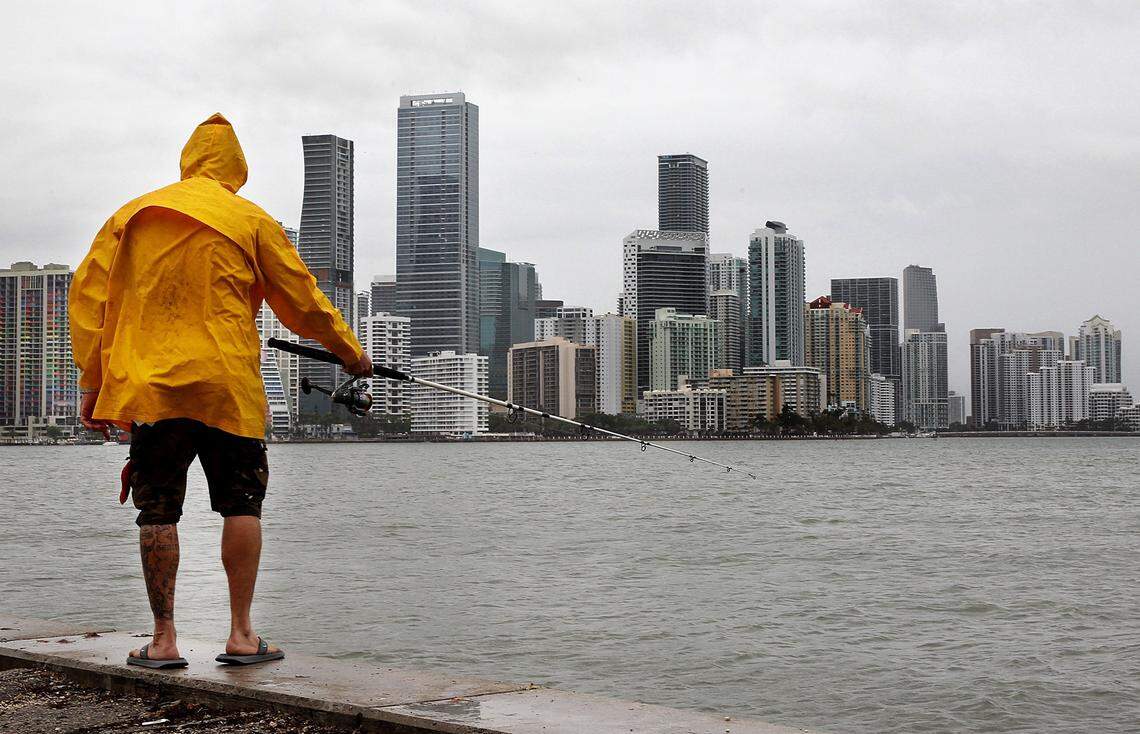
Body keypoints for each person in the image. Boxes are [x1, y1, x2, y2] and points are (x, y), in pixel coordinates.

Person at [69, 113, 371, 669]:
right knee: (241, 503)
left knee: (156, 511)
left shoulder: (130, 215)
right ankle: (240, 635)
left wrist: (94, 383)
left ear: (186, 161)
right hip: (227, 386)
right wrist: (353, 354)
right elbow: (303, 301)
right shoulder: (250, 218)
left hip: (154, 386)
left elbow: (88, 302)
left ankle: (162, 641)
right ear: (237, 169)